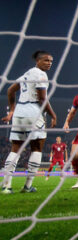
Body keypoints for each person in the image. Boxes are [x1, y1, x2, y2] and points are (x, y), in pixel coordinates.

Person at [1, 50, 57, 194]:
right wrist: (53, 115)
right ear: (37, 61)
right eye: (46, 60)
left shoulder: (25, 75)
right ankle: (27, 186)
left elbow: (10, 91)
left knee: (16, 149)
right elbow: (42, 99)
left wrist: (12, 110)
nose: (49, 63)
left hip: (20, 113)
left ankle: (6, 185)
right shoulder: (41, 75)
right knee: (37, 148)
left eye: (51, 61)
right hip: (33, 112)